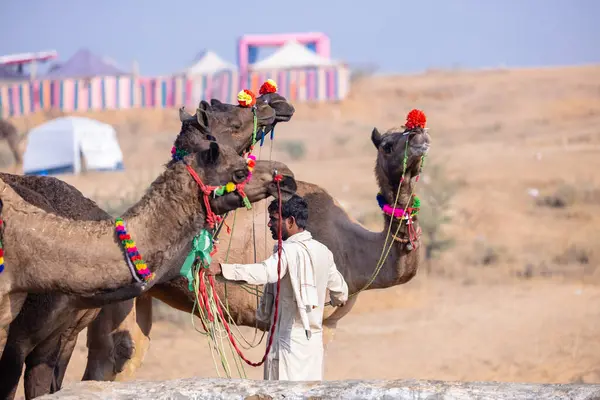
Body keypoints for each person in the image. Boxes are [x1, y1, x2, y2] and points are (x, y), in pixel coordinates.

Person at [207, 194, 348, 381]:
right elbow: (341, 291)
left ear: (290, 221)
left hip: (286, 346)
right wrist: (334, 300)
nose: (269, 225)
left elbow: (265, 272)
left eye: (273, 219)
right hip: (313, 346)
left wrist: (221, 269)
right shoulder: (323, 251)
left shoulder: (288, 251)